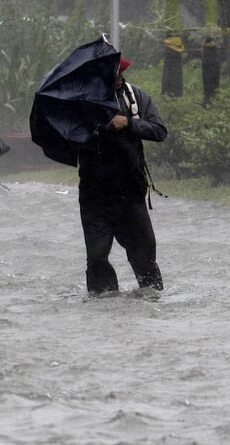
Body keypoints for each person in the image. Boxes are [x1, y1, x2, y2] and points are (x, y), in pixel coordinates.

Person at [77, 58, 167, 294]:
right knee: (96, 259)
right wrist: (96, 126)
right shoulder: (81, 104)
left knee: (144, 258)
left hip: (131, 194)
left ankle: (153, 302)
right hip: (94, 197)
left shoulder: (136, 97)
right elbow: (67, 136)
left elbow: (159, 130)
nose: (119, 77)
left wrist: (128, 123)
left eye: (121, 73)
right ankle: (104, 306)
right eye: (114, 74)